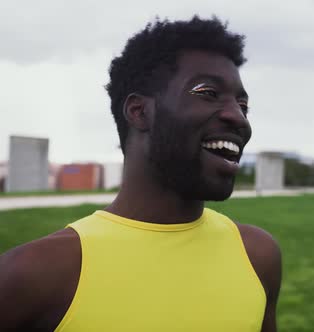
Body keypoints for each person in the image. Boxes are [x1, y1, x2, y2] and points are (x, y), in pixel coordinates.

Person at [0, 16, 281, 332]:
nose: (239, 117)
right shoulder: (34, 276)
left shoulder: (258, 256)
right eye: (208, 93)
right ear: (139, 111)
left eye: (243, 105)